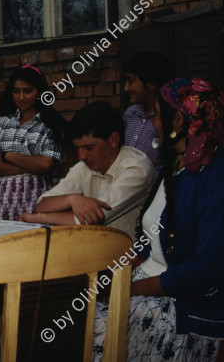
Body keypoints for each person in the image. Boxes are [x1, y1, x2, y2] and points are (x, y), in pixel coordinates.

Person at [93, 77, 224, 361]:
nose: (153, 124)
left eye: (156, 115)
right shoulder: (177, 168)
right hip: (148, 284)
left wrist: (130, 289)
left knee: (93, 328)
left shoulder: (214, 178)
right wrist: (123, 268)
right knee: (76, 309)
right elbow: (153, 234)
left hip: (185, 306)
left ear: (178, 119)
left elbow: (204, 270)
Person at [19, 101, 156, 240]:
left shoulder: (136, 168)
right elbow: (43, 205)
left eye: (89, 148)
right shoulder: (85, 166)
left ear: (113, 140)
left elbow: (93, 218)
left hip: (129, 256)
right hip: (94, 248)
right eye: (77, 148)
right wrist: (72, 199)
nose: (81, 156)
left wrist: (37, 218)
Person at [0, 65, 66, 220]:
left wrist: (6, 156)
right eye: (16, 91)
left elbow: (45, 165)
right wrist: (30, 166)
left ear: (39, 92)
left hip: (36, 201)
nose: (21, 97)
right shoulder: (2, 122)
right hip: (1, 203)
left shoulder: (50, 124)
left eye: (28, 91)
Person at [122, 50, 176, 170]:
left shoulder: (169, 119)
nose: (126, 88)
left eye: (131, 81)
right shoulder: (130, 113)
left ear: (151, 84)